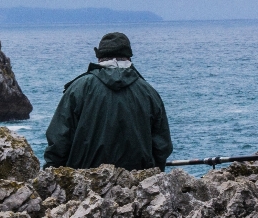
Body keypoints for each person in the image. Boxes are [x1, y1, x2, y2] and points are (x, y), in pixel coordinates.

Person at [44, 32, 173, 171]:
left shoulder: (78, 88)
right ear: (129, 58)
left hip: (84, 183)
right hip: (138, 184)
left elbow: (59, 140)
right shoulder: (148, 92)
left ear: (99, 58)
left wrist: (52, 173)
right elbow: (162, 146)